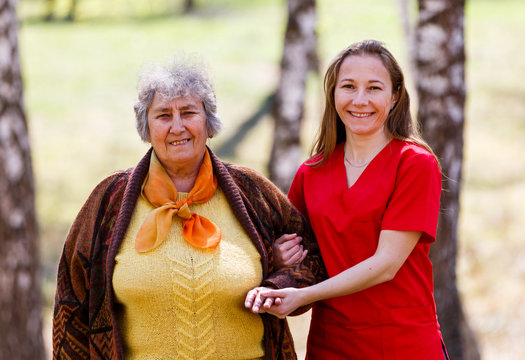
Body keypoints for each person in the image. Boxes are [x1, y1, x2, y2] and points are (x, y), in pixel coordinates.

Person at [52, 55, 326, 360]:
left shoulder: (252, 192)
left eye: (188, 112)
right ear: (147, 127)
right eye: (163, 115)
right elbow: (71, 302)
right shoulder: (107, 201)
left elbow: (314, 255)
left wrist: (277, 276)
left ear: (208, 122)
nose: (177, 126)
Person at [245, 39, 449, 359]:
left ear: (395, 96)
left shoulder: (414, 164)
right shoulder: (310, 173)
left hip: (402, 342)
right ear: (333, 93)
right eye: (349, 86)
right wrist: (279, 258)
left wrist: (305, 296)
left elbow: (386, 265)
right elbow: (302, 254)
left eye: (374, 88)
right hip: (331, 344)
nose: (360, 100)